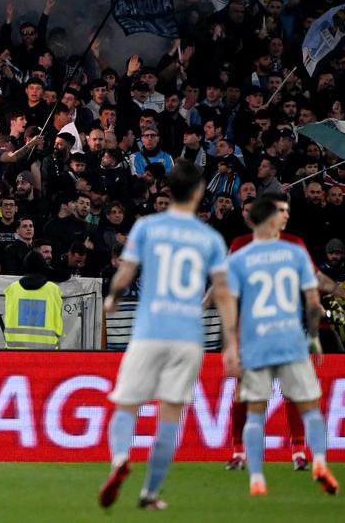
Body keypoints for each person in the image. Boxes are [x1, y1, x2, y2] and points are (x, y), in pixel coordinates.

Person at [98, 161, 237, 511]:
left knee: (127, 404)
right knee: (170, 415)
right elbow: (222, 292)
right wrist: (232, 342)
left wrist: (113, 297)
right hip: (188, 337)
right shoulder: (210, 238)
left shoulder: (146, 227)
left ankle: (119, 460)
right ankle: (149, 493)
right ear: (198, 193)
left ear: (167, 191)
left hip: (148, 332)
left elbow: (126, 272)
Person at [223, 194, 339, 497]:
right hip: (255, 335)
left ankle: (298, 453)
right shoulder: (239, 245)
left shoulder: (292, 244)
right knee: (247, 396)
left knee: (291, 395)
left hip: (283, 332)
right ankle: (239, 454)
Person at [2, 248, 63, 349]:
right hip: (46, 352)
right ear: (43, 267)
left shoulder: (12, 289)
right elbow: (58, 323)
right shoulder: (53, 289)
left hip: (15, 352)